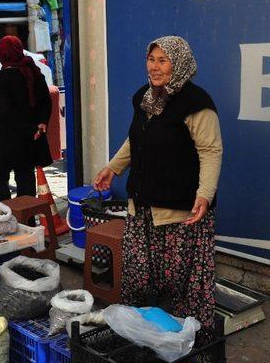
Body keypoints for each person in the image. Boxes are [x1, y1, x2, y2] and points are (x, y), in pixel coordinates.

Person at [93, 36, 222, 337]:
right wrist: (113, 167)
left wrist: (205, 194)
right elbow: (135, 139)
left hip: (179, 214)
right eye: (151, 59)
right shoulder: (145, 97)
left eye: (163, 60)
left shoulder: (196, 103)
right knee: (138, 278)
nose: (154, 67)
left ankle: (180, 342)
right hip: (142, 209)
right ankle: (142, 337)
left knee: (177, 288)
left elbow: (211, 151)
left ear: (179, 64)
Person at [0, 35, 52, 201]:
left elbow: (6, 111)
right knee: (26, 178)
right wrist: (39, 126)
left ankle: (7, 216)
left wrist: (29, 129)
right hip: (28, 141)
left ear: (3, 54)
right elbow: (46, 101)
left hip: (4, 140)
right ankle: (27, 218)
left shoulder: (2, 78)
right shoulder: (35, 73)